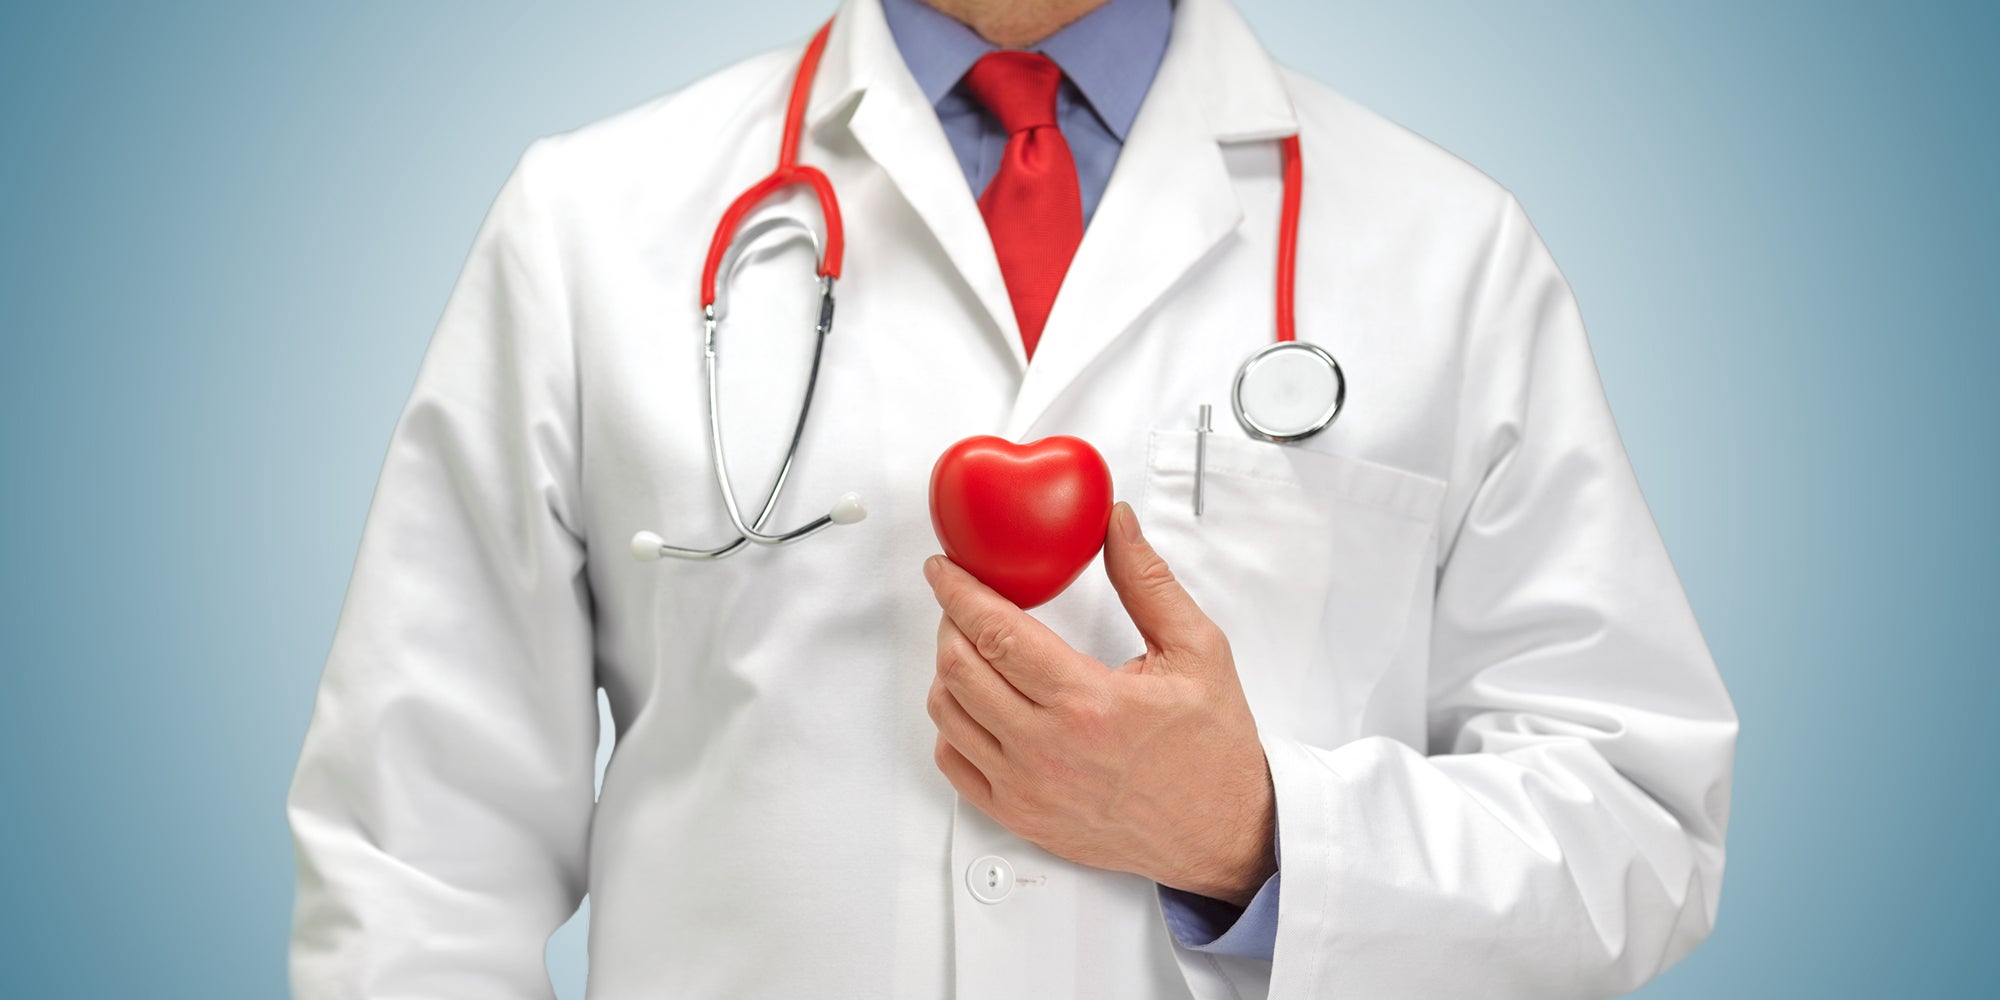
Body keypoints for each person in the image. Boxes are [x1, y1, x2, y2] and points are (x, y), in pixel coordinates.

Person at [284, 0, 1738, 996]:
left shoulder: (1447, 250)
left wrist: (1258, 834)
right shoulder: (589, 224)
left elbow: (1639, 825)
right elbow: (418, 859)